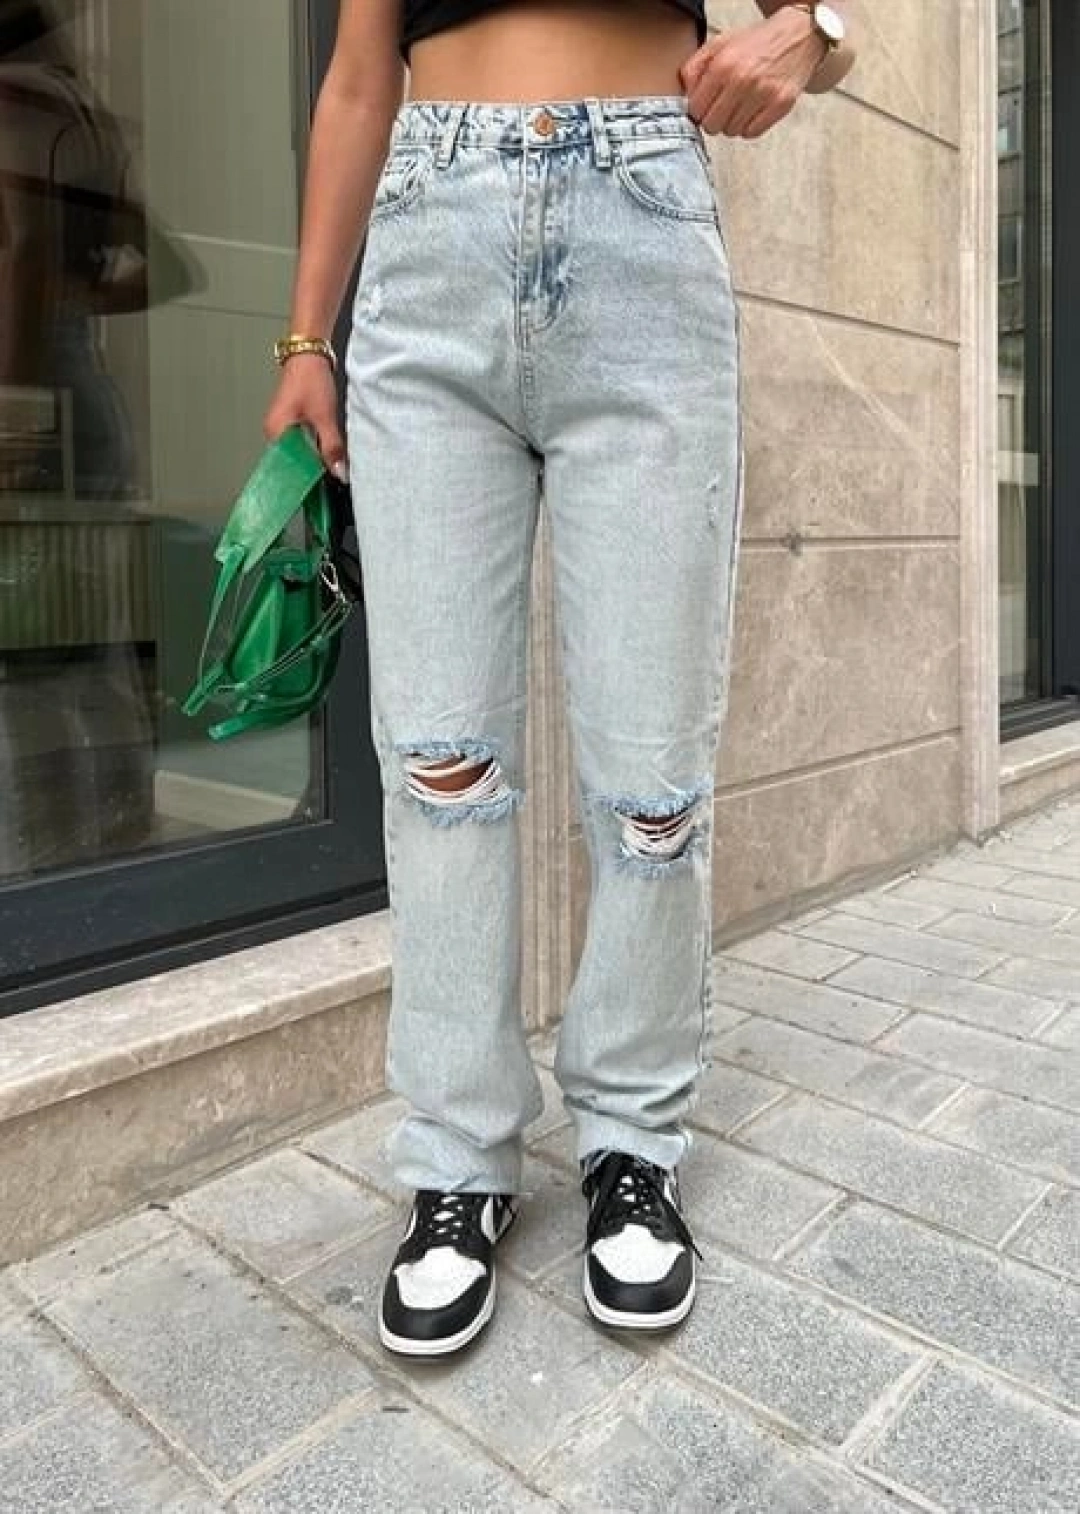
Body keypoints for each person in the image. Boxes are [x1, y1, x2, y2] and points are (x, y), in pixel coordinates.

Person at [264, 0, 856, 1358]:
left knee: (653, 779)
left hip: (642, 232)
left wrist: (808, 31)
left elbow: (822, 30)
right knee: (440, 765)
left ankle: (632, 1142)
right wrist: (305, 340)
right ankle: (458, 1157)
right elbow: (357, 79)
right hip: (430, 248)